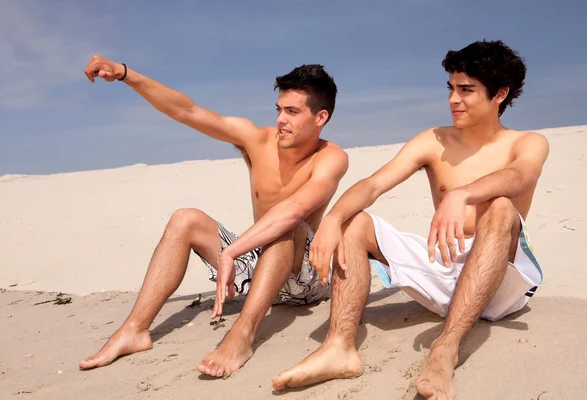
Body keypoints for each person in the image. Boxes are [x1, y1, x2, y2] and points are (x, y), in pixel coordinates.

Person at [272, 40, 549, 400]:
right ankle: (338, 347)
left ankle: (445, 349)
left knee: (499, 207)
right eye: (451, 88)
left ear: (500, 94)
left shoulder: (528, 142)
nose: (453, 99)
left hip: (497, 285)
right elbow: (373, 184)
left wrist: (462, 193)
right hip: (443, 268)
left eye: (466, 90)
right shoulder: (434, 140)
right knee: (356, 222)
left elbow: (519, 177)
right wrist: (333, 219)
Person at [79, 56, 348, 378]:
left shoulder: (331, 157)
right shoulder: (257, 140)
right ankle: (134, 331)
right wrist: (124, 74)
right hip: (255, 265)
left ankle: (241, 336)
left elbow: (295, 210)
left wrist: (232, 251)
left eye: (292, 112)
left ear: (320, 117)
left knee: (287, 225)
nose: (280, 119)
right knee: (185, 218)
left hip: (304, 279)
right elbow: (187, 111)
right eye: (278, 109)